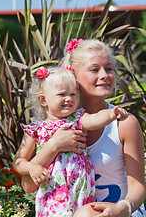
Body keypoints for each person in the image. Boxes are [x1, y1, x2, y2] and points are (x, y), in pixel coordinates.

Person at [15, 38, 146, 217]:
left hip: (120, 210)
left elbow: (138, 186)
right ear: (73, 76)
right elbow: (28, 185)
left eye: (109, 69)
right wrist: (54, 146)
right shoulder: (54, 125)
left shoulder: (123, 122)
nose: (105, 75)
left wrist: (122, 208)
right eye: (94, 69)